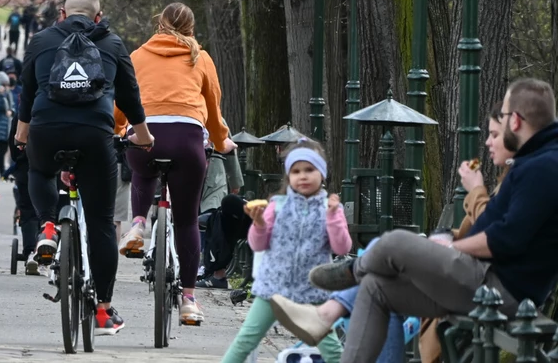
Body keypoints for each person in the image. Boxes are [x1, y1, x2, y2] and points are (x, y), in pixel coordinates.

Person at [304, 78, 558, 363]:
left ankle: (352, 269)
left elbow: (504, 239)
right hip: (486, 281)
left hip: (500, 290)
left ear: (515, 122)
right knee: (376, 287)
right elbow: (492, 227)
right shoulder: (533, 161)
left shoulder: (543, 166)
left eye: (506, 112)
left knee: (394, 242)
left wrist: (449, 250)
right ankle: (352, 285)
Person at [269, 110, 517, 363]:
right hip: (470, 274)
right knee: (375, 283)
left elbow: (494, 233)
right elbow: (481, 229)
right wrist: (446, 238)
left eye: (495, 134)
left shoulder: (525, 176)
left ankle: (348, 278)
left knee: (388, 245)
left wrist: (475, 190)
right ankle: (332, 305)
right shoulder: (507, 179)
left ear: (516, 129)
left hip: (487, 286)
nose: (488, 142)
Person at [17, 0, 154, 337]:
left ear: (62, 15)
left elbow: (28, 89)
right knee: (101, 223)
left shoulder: (42, 40)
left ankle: (47, 227)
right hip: (94, 135)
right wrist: (143, 135)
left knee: (39, 168)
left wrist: (22, 133)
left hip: (47, 128)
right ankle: (104, 310)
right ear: (98, 16)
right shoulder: (112, 42)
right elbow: (130, 95)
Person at [120, 2, 235, 325]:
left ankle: (139, 223)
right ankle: (188, 299)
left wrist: (118, 129)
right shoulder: (201, 56)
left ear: (160, 24)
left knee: (143, 169)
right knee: (185, 221)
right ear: (191, 27)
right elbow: (212, 105)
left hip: (145, 132)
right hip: (187, 138)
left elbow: (123, 98)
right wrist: (222, 139)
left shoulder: (138, 54)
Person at [221, 138, 348, 363]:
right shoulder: (276, 205)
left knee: (332, 350)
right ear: (288, 177)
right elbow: (257, 245)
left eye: (309, 169)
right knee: (245, 340)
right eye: (296, 171)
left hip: (313, 292)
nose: (303, 176)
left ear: (322, 173)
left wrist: (333, 218)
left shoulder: (330, 208)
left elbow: (342, 247)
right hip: (273, 290)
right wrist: (259, 225)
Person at [198, 148, 245, 288]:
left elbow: (227, 146)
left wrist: (235, 180)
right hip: (187, 174)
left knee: (214, 222)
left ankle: (214, 271)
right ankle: (195, 266)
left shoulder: (217, 124)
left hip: (213, 179)